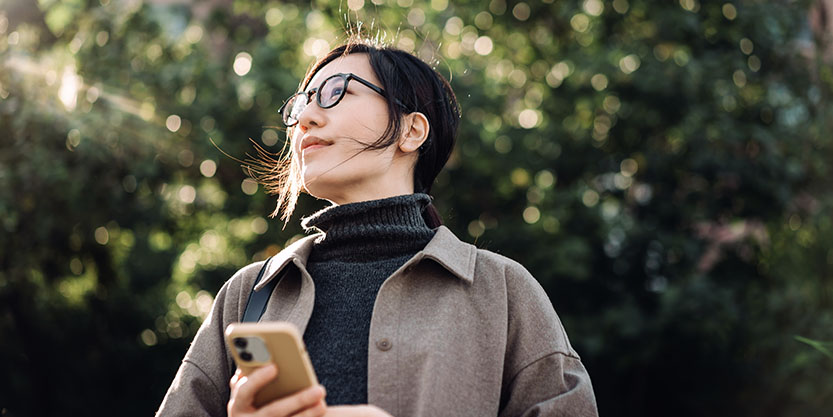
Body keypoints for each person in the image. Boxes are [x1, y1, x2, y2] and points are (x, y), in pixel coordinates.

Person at [156, 38, 599, 417]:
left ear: (411, 131)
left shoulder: (502, 289)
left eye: (334, 92)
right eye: (302, 103)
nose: (305, 117)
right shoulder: (247, 293)